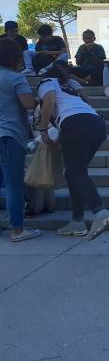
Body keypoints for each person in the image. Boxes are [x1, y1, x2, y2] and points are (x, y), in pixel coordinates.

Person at [38, 61, 109, 239]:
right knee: (75, 172)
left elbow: (49, 101)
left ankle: (100, 212)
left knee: (75, 172)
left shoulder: (46, 82)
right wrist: (60, 138)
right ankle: (77, 220)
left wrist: (43, 130)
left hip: (75, 124)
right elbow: (85, 103)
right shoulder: (71, 84)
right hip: (96, 123)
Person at [0, 39, 40, 242]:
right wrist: (38, 99)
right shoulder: (16, 78)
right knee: (13, 185)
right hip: (10, 136)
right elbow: (28, 104)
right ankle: (17, 229)